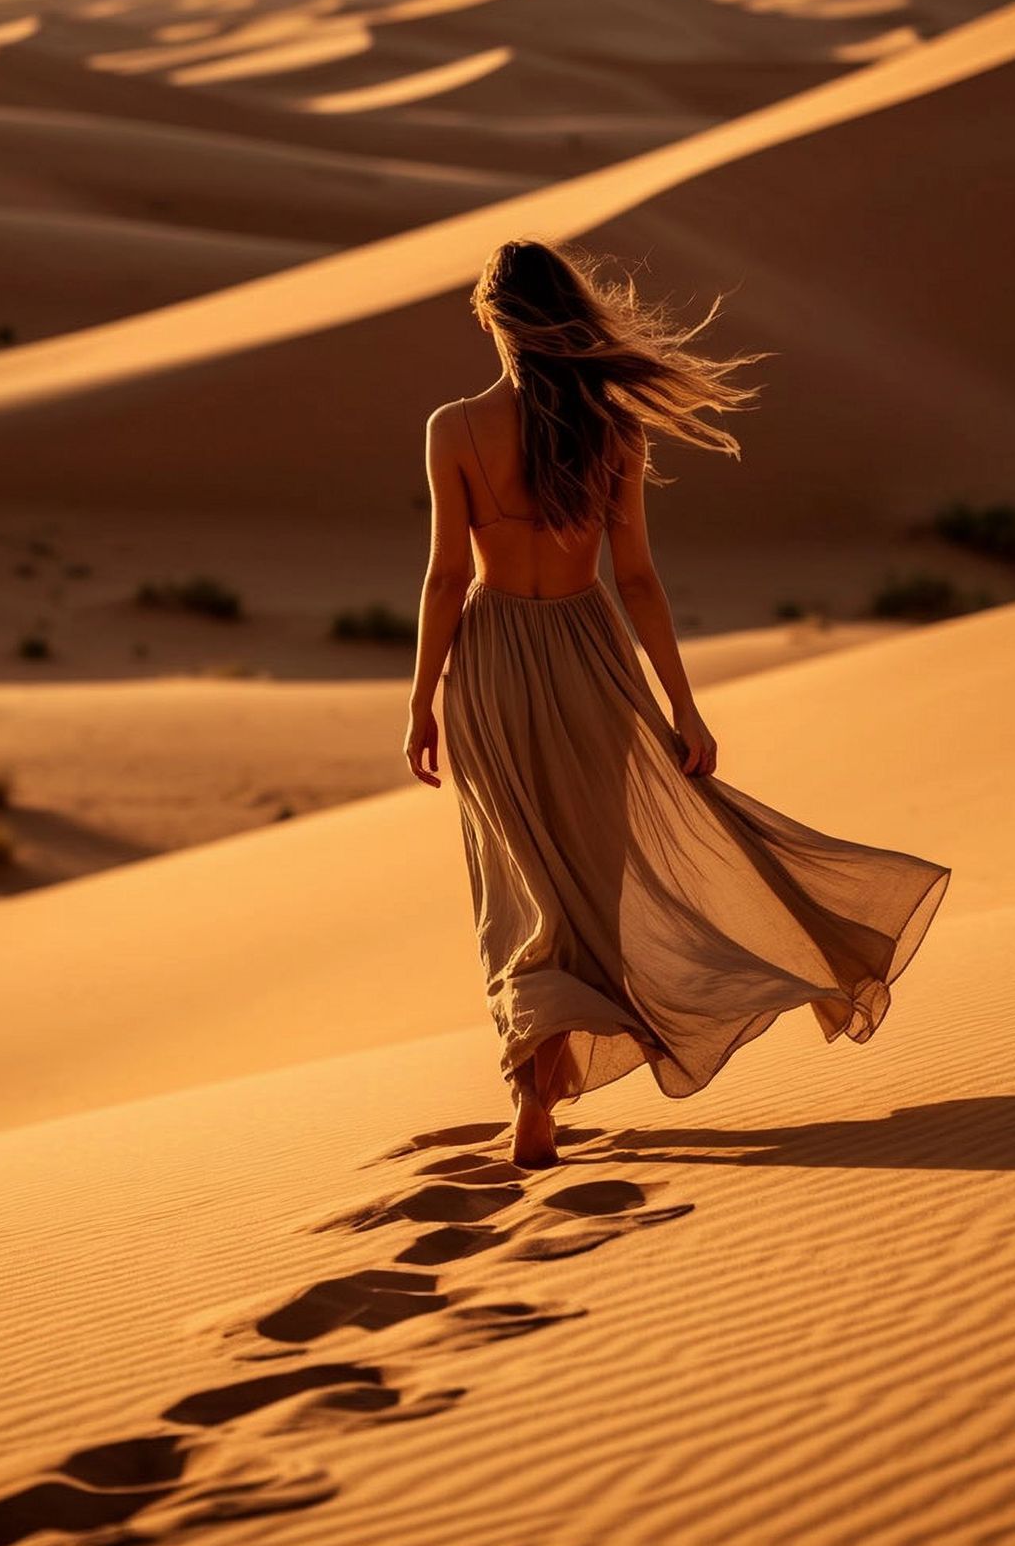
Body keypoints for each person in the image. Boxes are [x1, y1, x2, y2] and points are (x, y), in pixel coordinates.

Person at [404, 238, 951, 1168]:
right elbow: (640, 580)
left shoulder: (453, 427)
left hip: (492, 663)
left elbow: (448, 574)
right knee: (595, 875)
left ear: (494, 321)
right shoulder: (614, 428)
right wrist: (682, 707)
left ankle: (531, 1091)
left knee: (521, 883)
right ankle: (556, 1072)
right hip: (592, 660)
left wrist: (421, 702)